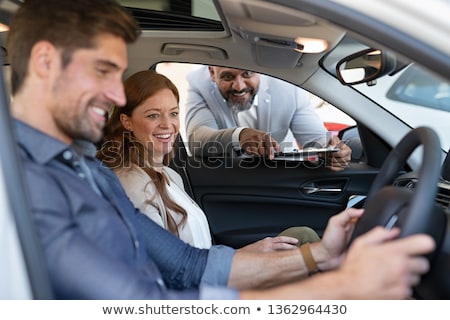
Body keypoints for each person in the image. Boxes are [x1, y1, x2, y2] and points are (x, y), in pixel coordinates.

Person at [9, 0, 435, 299]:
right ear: (46, 62)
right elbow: (141, 304)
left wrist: (322, 254)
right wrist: (340, 289)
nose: (113, 93)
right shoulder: (26, 184)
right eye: (103, 72)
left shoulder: (86, 168)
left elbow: (184, 266)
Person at [97, 69, 320, 250]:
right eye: (153, 115)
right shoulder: (133, 185)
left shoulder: (170, 174)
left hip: (208, 270)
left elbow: (198, 251)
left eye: (173, 113)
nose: (168, 125)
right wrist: (243, 263)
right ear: (127, 122)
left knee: (302, 236)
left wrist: (252, 251)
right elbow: (170, 269)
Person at [185, 66, 352, 170]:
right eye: (228, 77)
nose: (239, 86)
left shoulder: (288, 87)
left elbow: (316, 140)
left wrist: (333, 152)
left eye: (247, 74)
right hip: (230, 178)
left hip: (279, 173)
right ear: (212, 73)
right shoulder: (199, 86)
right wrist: (240, 136)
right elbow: (196, 139)